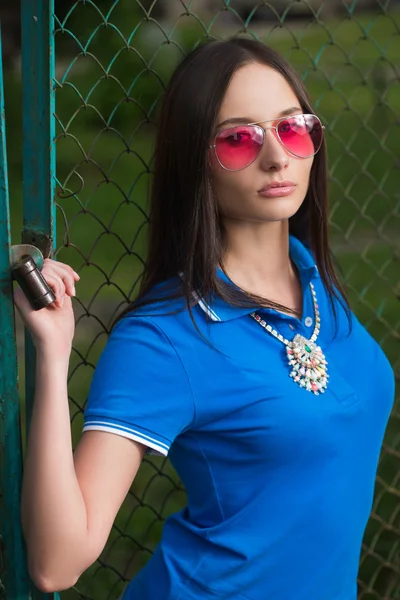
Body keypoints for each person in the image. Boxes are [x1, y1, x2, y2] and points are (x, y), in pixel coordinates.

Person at [14, 38, 395, 600]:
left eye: (292, 128)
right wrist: (52, 359)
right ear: (195, 161)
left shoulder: (314, 283)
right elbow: (57, 564)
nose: (276, 156)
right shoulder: (165, 338)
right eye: (239, 139)